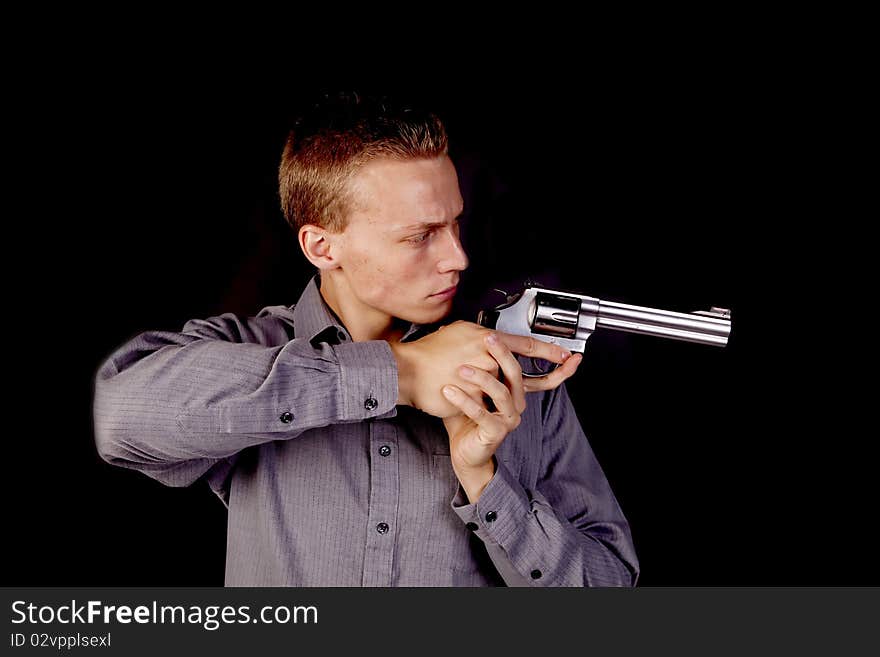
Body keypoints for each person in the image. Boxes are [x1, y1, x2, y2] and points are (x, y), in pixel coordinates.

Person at [93, 91, 639, 587]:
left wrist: (487, 483)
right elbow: (121, 418)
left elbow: (608, 591)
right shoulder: (249, 350)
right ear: (322, 247)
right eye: (419, 236)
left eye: (454, 225)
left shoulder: (511, 376)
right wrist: (402, 373)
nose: (458, 258)